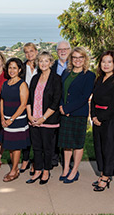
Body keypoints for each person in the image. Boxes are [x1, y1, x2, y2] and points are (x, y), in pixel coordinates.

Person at [58, 47, 95, 184]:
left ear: (84, 59)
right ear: (71, 59)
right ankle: (66, 169)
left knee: (77, 143)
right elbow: (62, 92)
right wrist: (62, 107)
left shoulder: (89, 75)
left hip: (78, 114)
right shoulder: (66, 73)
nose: (77, 60)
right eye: (75, 57)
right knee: (66, 144)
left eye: (80, 57)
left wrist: (68, 109)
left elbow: (85, 97)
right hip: (65, 113)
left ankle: (74, 171)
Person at [91, 51, 114, 192]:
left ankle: (106, 177)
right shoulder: (99, 79)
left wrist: (100, 118)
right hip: (96, 117)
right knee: (98, 147)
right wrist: (93, 116)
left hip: (109, 119)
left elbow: (113, 105)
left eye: (109, 62)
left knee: (109, 148)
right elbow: (93, 100)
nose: (106, 64)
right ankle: (102, 173)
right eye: (103, 62)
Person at [25, 51, 62, 185]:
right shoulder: (35, 78)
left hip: (48, 120)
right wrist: (30, 115)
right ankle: (38, 170)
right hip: (34, 119)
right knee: (36, 147)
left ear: (51, 63)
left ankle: (46, 171)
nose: (43, 63)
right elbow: (29, 98)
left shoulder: (56, 79)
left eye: (46, 61)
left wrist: (43, 118)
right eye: (41, 61)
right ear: (37, 63)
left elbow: (56, 101)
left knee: (47, 148)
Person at [0, 57, 30, 182]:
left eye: (14, 68)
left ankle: (14, 170)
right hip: (6, 119)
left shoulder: (22, 84)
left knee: (16, 147)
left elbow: (23, 105)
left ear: (19, 70)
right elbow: (2, 100)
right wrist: (2, 117)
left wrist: (11, 119)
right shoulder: (5, 83)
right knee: (11, 146)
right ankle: (15, 168)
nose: (11, 70)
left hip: (17, 120)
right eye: (10, 67)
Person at [50, 40, 72, 167]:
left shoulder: (74, 66)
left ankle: (66, 161)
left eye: (65, 49)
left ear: (69, 50)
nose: (63, 51)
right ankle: (53, 158)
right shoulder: (52, 66)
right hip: (53, 104)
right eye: (60, 49)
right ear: (57, 52)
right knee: (53, 133)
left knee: (66, 133)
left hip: (67, 105)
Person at [20, 42, 38, 175]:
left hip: (39, 104)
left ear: (36, 52)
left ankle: (36, 162)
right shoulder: (22, 67)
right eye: (26, 52)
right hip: (24, 103)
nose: (29, 54)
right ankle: (25, 159)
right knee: (26, 134)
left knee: (37, 135)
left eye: (31, 51)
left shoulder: (42, 65)